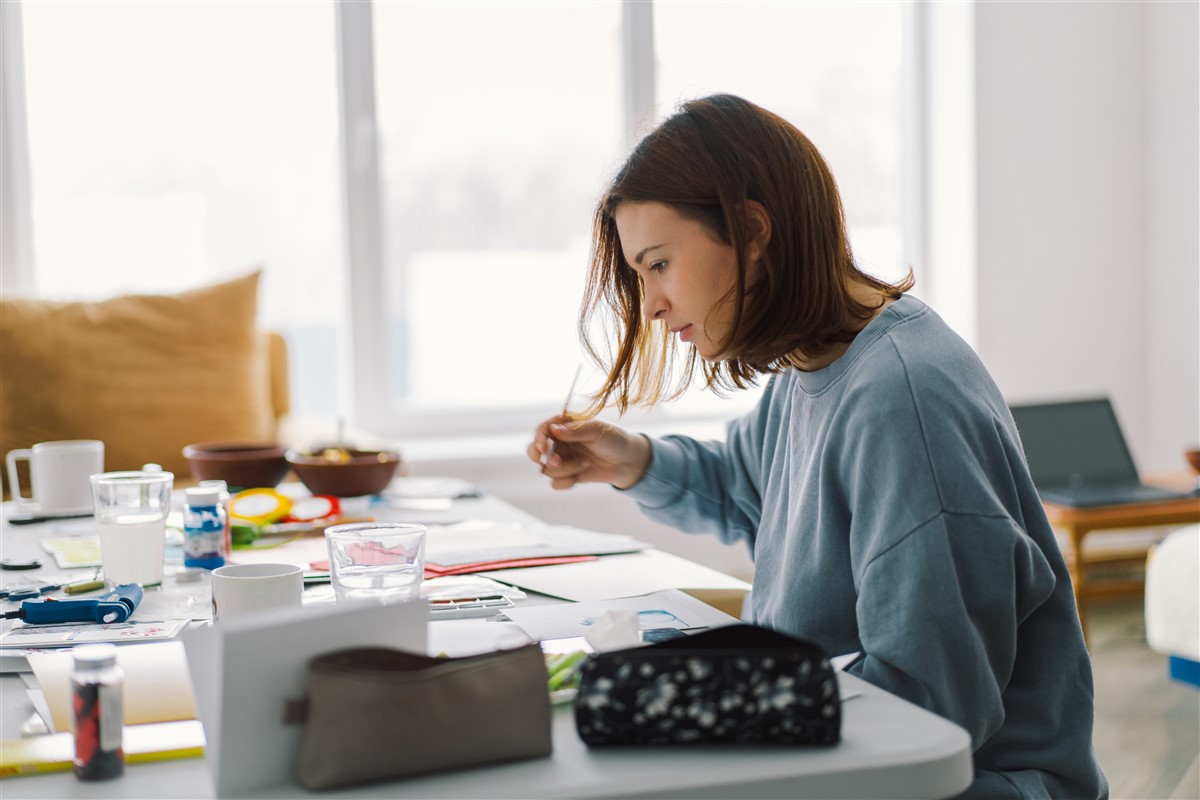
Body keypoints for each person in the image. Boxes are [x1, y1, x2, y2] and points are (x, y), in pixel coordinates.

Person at [527, 94, 1107, 799]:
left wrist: (708, 710)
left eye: (658, 265)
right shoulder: (817, 363)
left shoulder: (904, 400)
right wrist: (633, 459)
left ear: (751, 229)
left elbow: (930, 704)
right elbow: (752, 491)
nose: (649, 304)